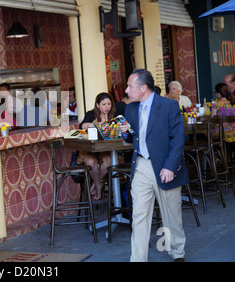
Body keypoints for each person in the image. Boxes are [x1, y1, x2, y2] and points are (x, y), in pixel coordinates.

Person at [119, 69, 188, 262]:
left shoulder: (168, 106)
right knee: (139, 215)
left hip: (165, 165)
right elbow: (133, 137)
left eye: (130, 86)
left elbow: (177, 140)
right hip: (141, 165)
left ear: (143, 88)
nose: (126, 90)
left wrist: (170, 167)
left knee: (171, 213)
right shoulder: (130, 108)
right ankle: (138, 259)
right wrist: (125, 132)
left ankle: (177, 253)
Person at [79, 92, 115, 199]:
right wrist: (93, 125)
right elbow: (82, 126)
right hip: (90, 150)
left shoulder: (113, 115)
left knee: (109, 161)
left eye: (109, 104)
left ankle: (95, 184)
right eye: (104, 104)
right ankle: (99, 186)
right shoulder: (91, 114)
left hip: (106, 150)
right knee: (91, 162)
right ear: (98, 105)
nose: (107, 107)